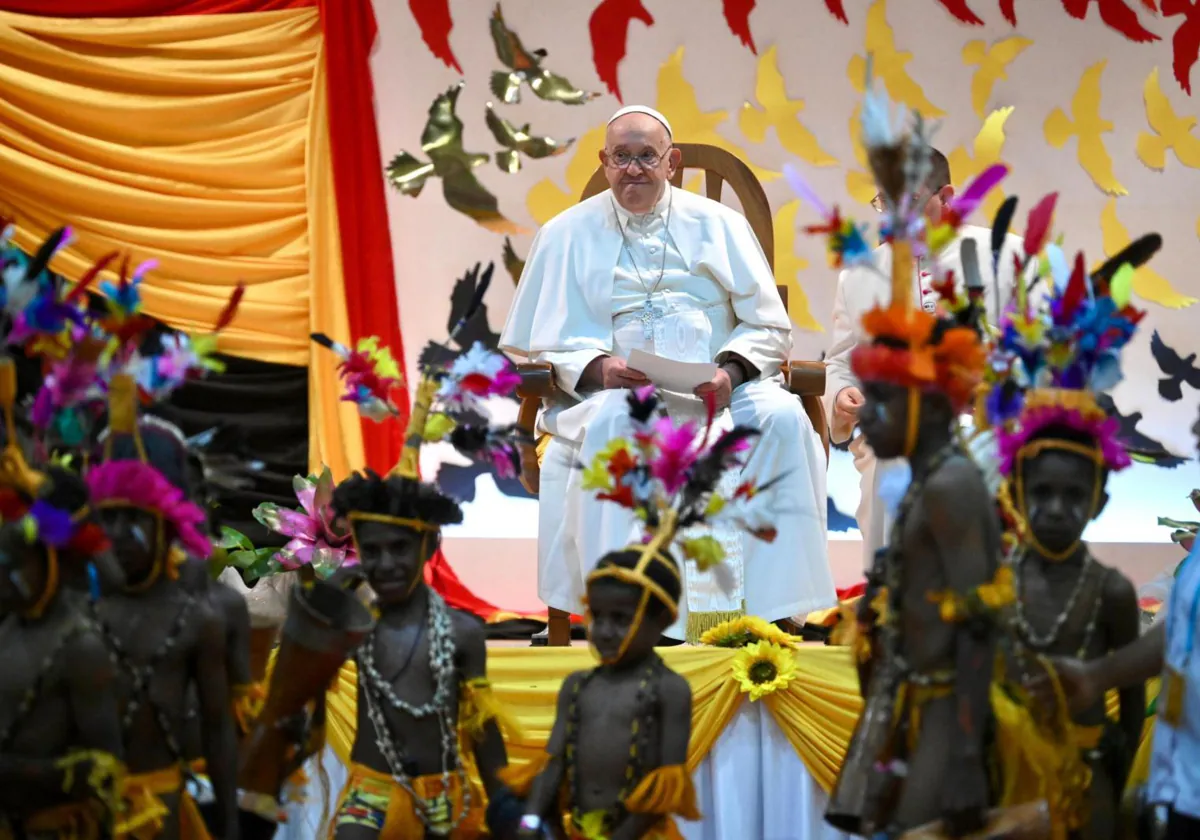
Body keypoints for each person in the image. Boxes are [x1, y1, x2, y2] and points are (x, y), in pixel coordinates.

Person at [500, 104, 834, 640]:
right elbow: (540, 346)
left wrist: (731, 372)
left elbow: (769, 328)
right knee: (611, 425)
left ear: (671, 161)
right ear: (604, 161)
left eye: (646, 156)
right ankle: (627, 613)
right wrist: (595, 368)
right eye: (621, 157)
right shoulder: (565, 233)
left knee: (783, 419)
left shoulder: (722, 225)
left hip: (720, 387)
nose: (633, 169)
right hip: (621, 392)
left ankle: (772, 607)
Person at [509, 385, 785, 839]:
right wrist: (532, 820)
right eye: (598, 619)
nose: (606, 632)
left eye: (623, 619)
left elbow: (664, 786)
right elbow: (553, 765)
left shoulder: (669, 690)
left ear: (660, 622)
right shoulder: (577, 686)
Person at [325, 367, 517, 840]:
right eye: (372, 550)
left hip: (447, 795)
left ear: (429, 548)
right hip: (370, 791)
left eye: (400, 548)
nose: (386, 563)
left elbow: (483, 734)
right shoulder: (353, 626)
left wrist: (508, 808)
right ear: (357, 551)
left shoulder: (463, 632)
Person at [823, 147, 1029, 569]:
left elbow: (1044, 347)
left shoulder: (1007, 256)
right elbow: (843, 361)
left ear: (948, 197)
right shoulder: (858, 276)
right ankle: (896, 608)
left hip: (985, 421)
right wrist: (844, 393)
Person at [89, 374, 239, 840]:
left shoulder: (200, 621)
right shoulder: (76, 616)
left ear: (168, 526)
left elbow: (219, 733)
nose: (116, 534)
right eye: (106, 517)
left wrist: (230, 826)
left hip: (167, 815)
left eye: (134, 519)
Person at [0, 357, 126, 838]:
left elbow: (105, 773)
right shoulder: (8, 627)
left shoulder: (80, 647)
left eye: (14, 561)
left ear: (54, 558)